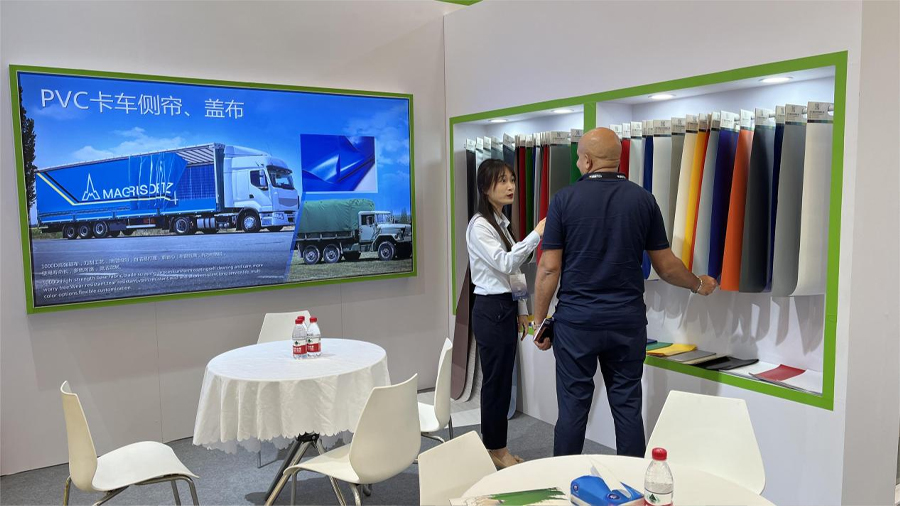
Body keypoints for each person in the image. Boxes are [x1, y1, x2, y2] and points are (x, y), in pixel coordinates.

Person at [532, 127, 717, 458]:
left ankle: (563, 479)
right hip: (626, 323)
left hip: (577, 324)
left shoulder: (563, 200)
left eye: (579, 158)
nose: (578, 163)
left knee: (572, 410)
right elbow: (666, 266)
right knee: (628, 407)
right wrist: (698, 284)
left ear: (588, 161)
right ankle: (633, 483)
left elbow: (548, 268)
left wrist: (539, 320)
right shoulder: (643, 200)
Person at [466, 158, 546, 468]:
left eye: (512, 179)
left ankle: (497, 447)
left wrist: (522, 308)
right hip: (490, 309)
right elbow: (506, 262)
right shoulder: (480, 226)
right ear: (485, 188)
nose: (511, 186)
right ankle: (495, 449)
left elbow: (514, 273)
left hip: (504, 307)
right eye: (502, 181)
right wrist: (536, 234)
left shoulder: (500, 223)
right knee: (496, 383)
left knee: (501, 381)